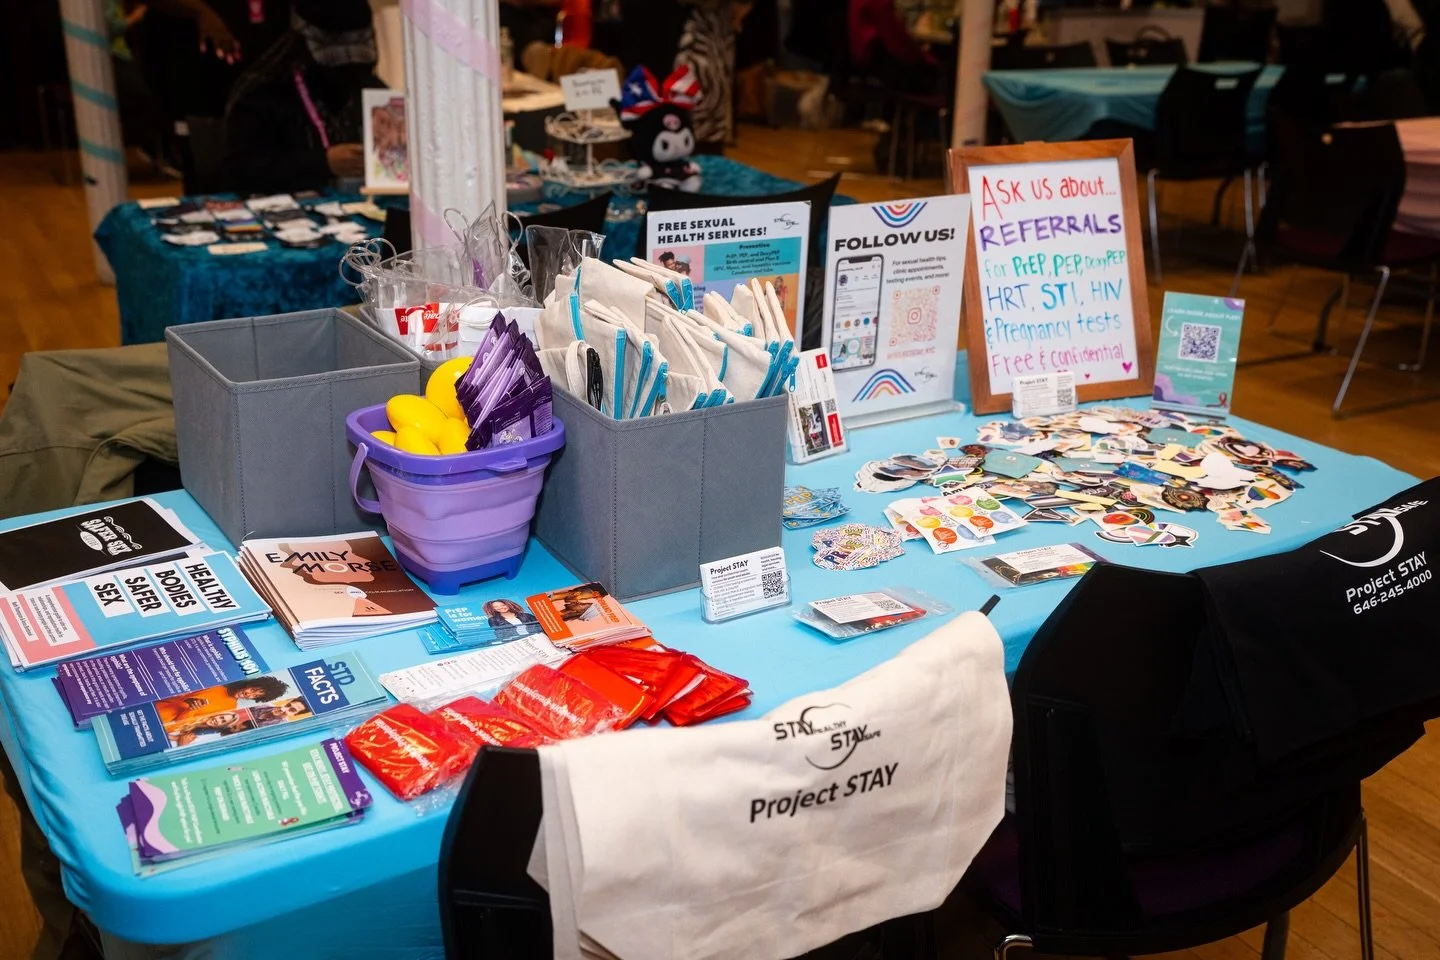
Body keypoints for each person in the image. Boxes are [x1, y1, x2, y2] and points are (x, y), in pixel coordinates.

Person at [224, 0, 382, 193]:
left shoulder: (372, 90)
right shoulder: (265, 94)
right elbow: (239, 172)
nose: (346, 68)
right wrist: (322, 163)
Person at [847, 0, 939, 94]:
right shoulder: (879, 3)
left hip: (858, 63)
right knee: (940, 75)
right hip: (877, 66)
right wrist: (922, 56)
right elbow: (895, 41)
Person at [152, 675, 292, 724]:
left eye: (256, 696)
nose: (249, 695)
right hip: (154, 708)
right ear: (250, 684)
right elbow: (169, 694)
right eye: (254, 690)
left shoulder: (230, 709)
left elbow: (183, 723)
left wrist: (190, 710)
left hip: (165, 724)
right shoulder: (216, 685)